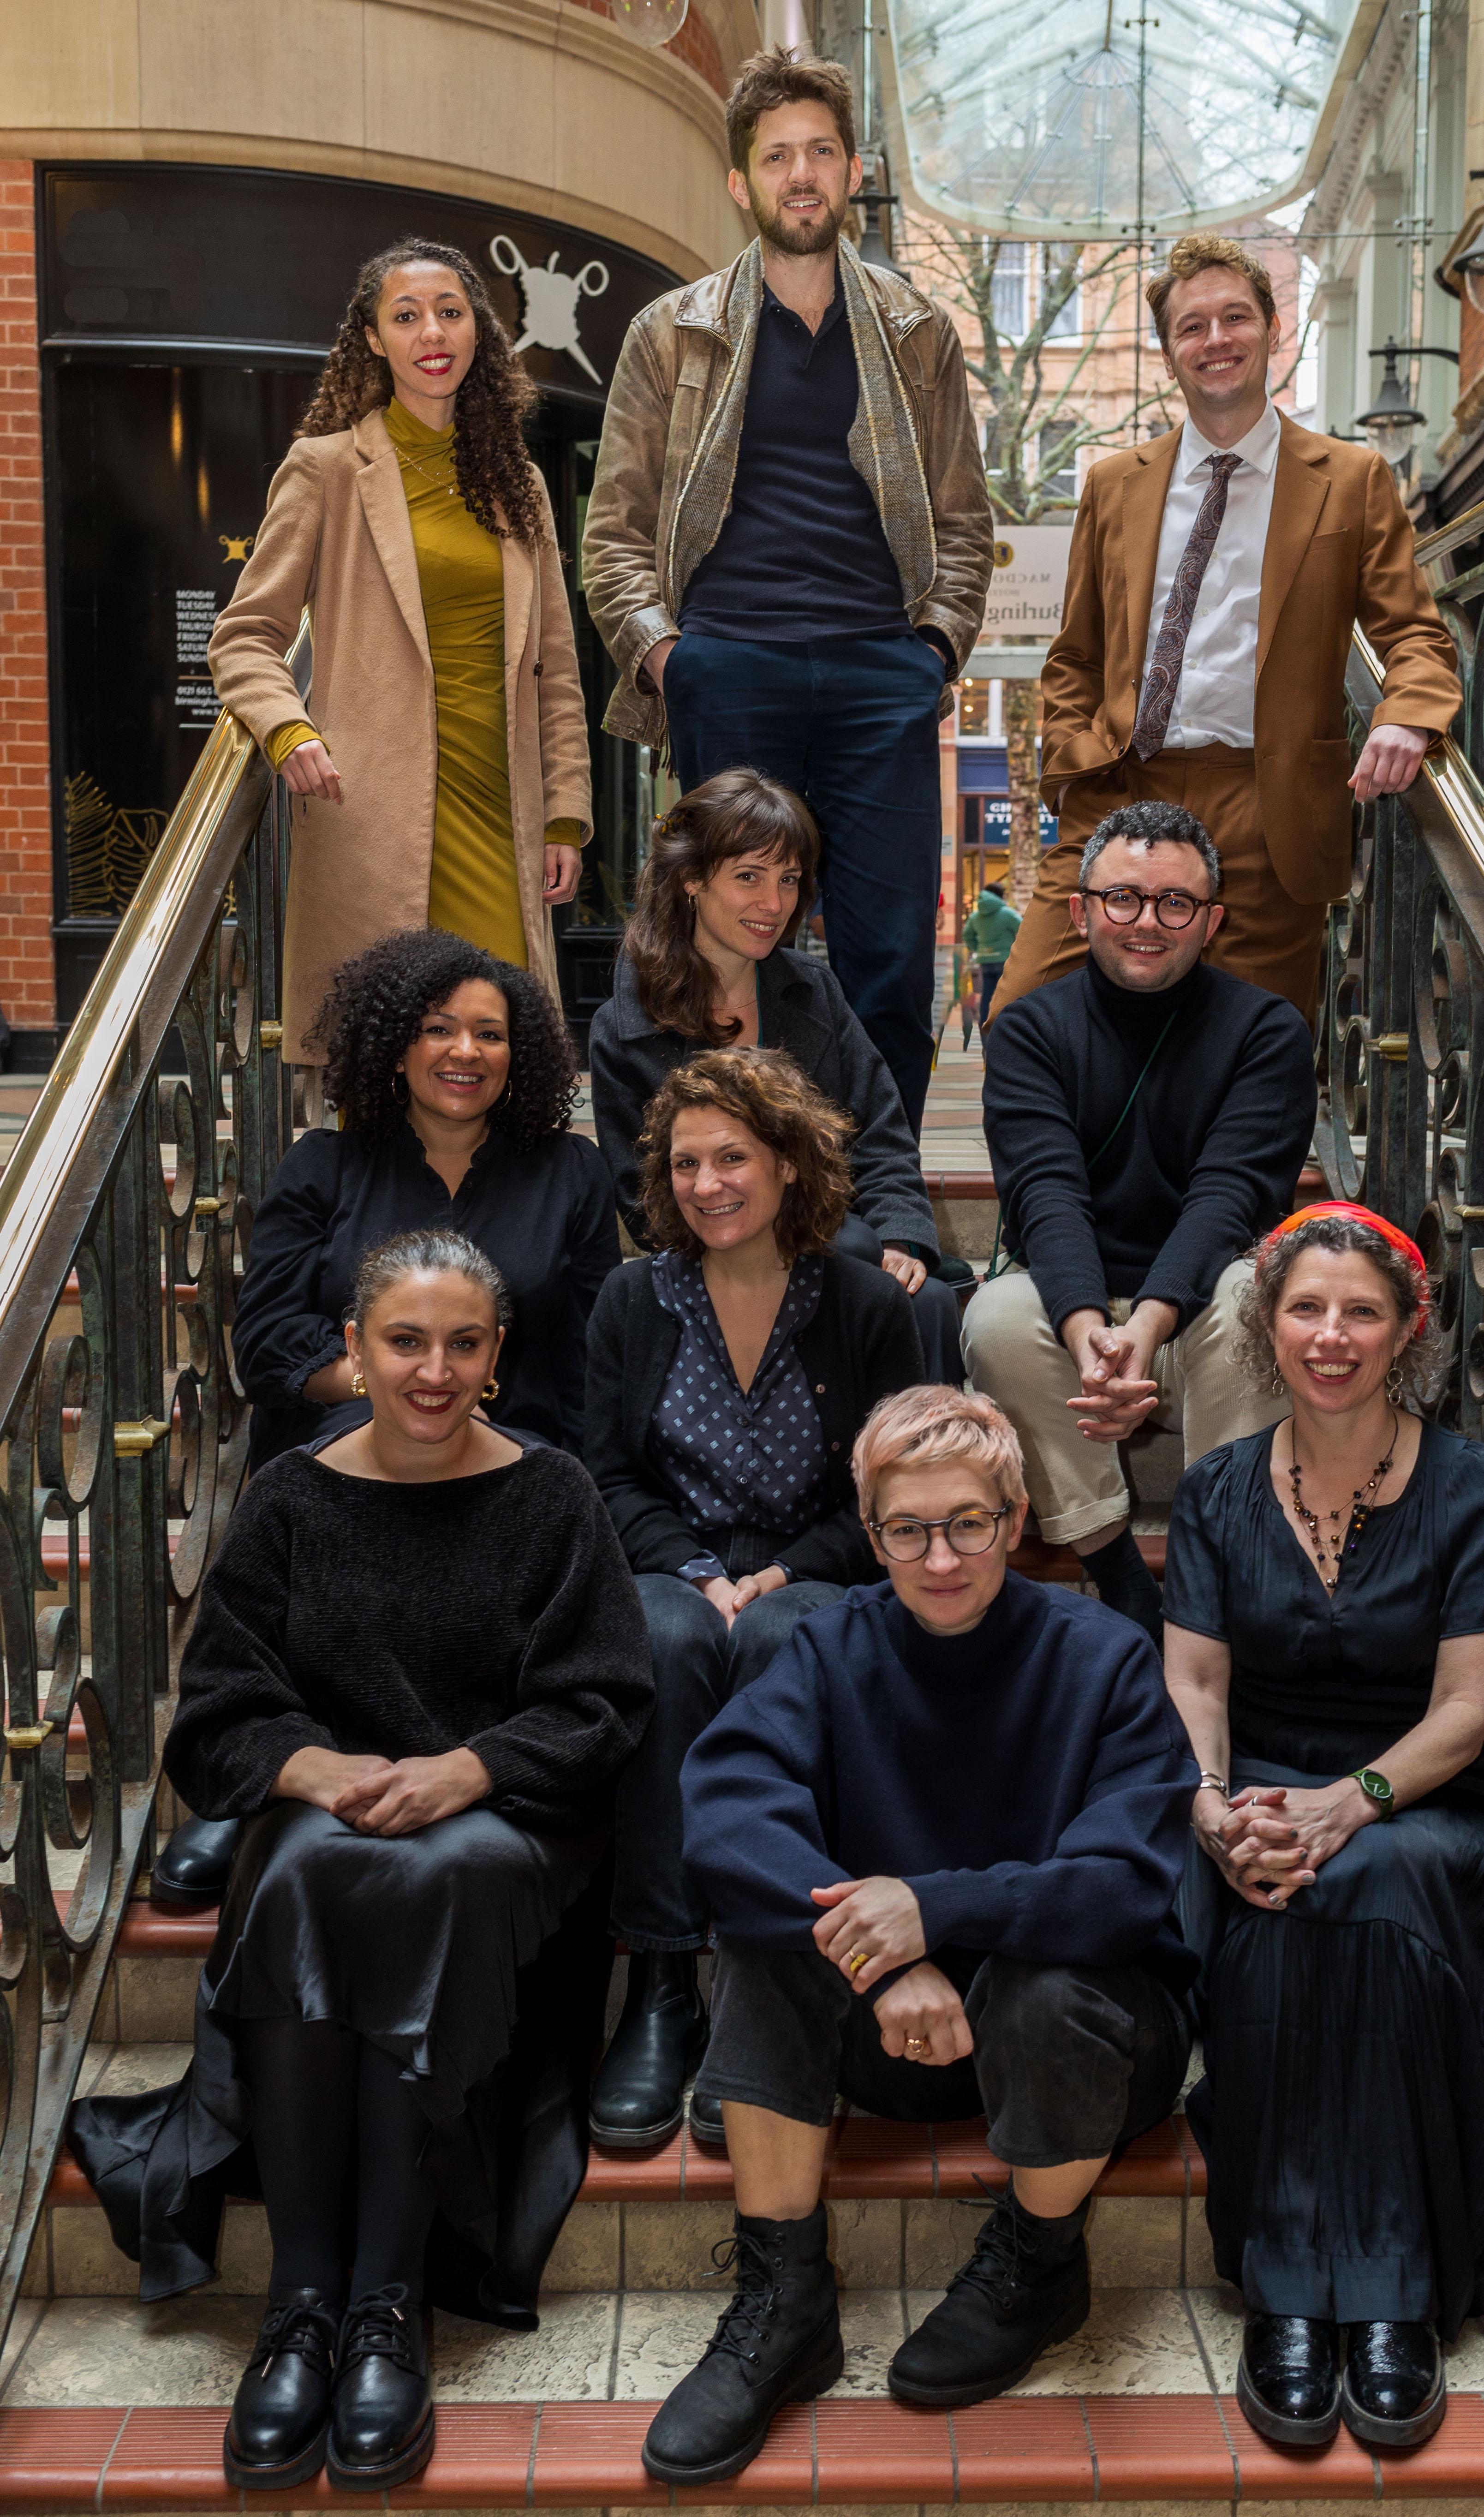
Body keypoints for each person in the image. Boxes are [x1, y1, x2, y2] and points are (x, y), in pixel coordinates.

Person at [69, 1230, 653, 2495]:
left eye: (461, 1341)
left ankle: (387, 2305)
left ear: (497, 1354)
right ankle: (300, 2300)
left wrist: (468, 1767)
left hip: (509, 1820)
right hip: (325, 1810)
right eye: (404, 1339)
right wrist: (317, 1768)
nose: (432, 1368)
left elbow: (605, 1702)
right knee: (294, 1872)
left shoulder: (552, 1494)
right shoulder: (290, 1492)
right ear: (352, 1348)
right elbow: (218, 1707)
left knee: (423, 1876)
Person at [639, 1385, 1197, 2487]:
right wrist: (887, 1951)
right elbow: (727, 1819)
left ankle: (1039, 2265)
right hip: (886, 2038)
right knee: (768, 1933)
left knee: (1050, 1977)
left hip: (1078, 2046)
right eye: (906, 1529)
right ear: (871, 1531)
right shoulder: (827, 1646)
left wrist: (929, 1908)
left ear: (1015, 1511)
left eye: (968, 1523)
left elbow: (1124, 1884)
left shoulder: (1104, 1654)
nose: (939, 1557)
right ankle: (782, 2299)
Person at [1164, 1202, 1484, 2451]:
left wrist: (1351, 1800)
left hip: (1429, 1800)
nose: (1329, 1335)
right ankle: (1288, 2279)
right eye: (1305, 1307)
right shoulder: (1219, 1488)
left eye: (1360, 1310)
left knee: (1363, 1884)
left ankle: (1381, 2287)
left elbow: (1463, 1710)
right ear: (1265, 1322)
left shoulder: (1478, 1490)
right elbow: (1196, 1686)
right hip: (1263, 1788)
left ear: (1406, 1327)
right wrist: (1214, 1806)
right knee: (1280, 1898)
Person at [150, 928, 619, 1913]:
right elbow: (269, 1339)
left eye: (488, 1033)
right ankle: (268, 1776)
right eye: (438, 1027)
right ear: (392, 1044)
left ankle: (466, 1765)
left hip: (510, 1464)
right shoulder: (324, 1162)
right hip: (342, 1451)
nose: (463, 1051)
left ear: (520, 1052)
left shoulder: (572, 1175)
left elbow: (584, 1359)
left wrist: (527, 1462)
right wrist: (396, 1404)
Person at [579, 48, 991, 1136]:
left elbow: (962, 525)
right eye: (776, 157)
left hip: (876, 670)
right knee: (720, 948)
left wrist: (931, 656)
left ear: (853, 171)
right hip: (730, 668)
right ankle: (728, 1176)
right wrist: (677, 657)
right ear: (740, 184)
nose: (799, 174)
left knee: (891, 954)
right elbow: (612, 534)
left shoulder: (915, 334)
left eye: (819, 153)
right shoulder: (670, 332)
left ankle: (879, 1204)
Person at [989, 233, 1462, 1031]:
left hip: (1266, 806)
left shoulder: (1348, 481)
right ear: (1168, 352)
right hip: (1118, 786)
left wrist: (1408, 713)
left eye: (1234, 318)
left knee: (1252, 1060)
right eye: (1191, 327)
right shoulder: (1112, 486)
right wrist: (1072, 766)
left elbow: (1415, 634)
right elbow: (1074, 656)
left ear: (1273, 330)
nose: (1215, 341)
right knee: (1024, 1021)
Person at [584, 1047, 923, 2150]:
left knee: (789, 1635)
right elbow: (608, 1473)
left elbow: (893, 1479)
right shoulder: (634, 1300)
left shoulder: (865, 1301)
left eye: (732, 1155)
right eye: (684, 1162)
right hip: (671, 1562)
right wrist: (696, 1566)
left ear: (787, 1162)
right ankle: (665, 1981)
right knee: (667, 1638)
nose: (707, 1181)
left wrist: (785, 1567)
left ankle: (768, 1984)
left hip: (819, 1565)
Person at [208, 238, 593, 1059]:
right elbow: (246, 636)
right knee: (388, 1063)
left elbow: (556, 667)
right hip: (374, 820)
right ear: (374, 339)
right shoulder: (326, 471)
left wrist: (566, 813)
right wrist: (288, 729)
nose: (432, 332)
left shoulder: (517, 482)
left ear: (477, 334)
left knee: (500, 1050)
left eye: (450, 314)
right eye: (407, 315)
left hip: (504, 818)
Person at [963, 801, 1317, 1642]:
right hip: (1072, 1283)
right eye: (1122, 898)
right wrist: (1092, 1334)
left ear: (1212, 921)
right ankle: (1117, 1571)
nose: (1146, 923)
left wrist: (1150, 1326)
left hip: (1202, 1282)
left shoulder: (1266, 1031)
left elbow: (1230, 1196)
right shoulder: (1026, 1031)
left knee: (1252, 1304)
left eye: (1174, 903)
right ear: (1081, 911)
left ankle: (1210, 1570)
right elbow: (1044, 1194)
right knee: (997, 1320)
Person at [589, 767, 962, 1383]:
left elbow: (881, 1135)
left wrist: (902, 1238)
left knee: (927, 1301)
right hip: (716, 1253)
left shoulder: (813, 990)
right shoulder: (624, 1025)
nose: (774, 904)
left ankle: (929, 1474)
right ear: (689, 880)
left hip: (840, 1244)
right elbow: (645, 1201)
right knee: (852, 1256)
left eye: (789, 879)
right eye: (748, 877)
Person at [963, 879, 1021, 1028]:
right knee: (1005, 996)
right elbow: (1023, 931)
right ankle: (1003, 1028)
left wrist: (978, 949)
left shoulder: (976, 916)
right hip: (1005, 960)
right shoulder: (1007, 914)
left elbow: (967, 935)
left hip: (986, 960)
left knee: (987, 996)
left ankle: (985, 1030)